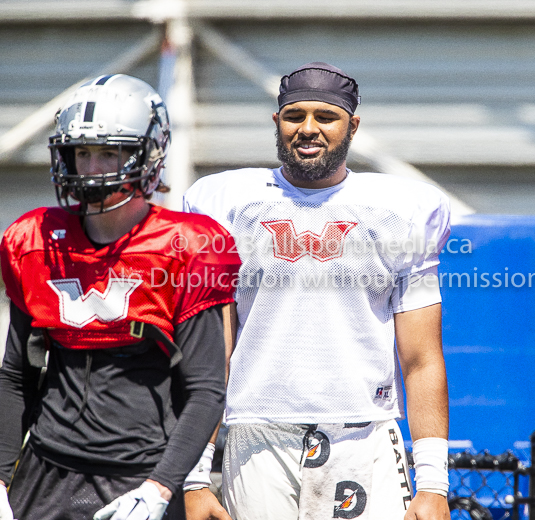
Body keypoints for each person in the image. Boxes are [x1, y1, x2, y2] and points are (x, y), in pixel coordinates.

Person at [183, 62, 452, 520]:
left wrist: (433, 483)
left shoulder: (401, 210)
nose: (308, 129)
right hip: (256, 434)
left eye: (325, 117)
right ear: (277, 122)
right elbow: (213, 350)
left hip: (364, 433)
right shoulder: (225, 203)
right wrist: (194, 475)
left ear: (353, 125)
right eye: (295, 116)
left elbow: (421, 357)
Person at [0, 74, 240, 520]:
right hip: (47, 471)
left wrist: (161, 487)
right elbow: (16, 375)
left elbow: (207, 390)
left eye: (109, 153)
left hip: (141, 474)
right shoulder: (35, 240)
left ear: (147, 154)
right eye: (83, 153)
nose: (92, 168)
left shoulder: (188, 245)